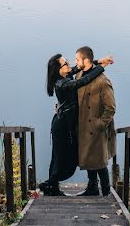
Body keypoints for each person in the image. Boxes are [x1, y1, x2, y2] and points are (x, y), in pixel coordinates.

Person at [39, 52, 114, 196]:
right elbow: (83, 81)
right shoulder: (63, 83)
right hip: (62, 126)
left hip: (65, 122)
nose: (69, 64)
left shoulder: (64, 76)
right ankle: (52, 186)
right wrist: (101, 67)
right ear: (59, 69)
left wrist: (98, 61)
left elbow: (78, 68)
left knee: (59, 155)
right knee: (60, 156)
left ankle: (52, 184)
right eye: (65, 63)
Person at [73, 45, 116, 196]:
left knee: (99, 162)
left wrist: (100, 124)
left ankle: (106, 192)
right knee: (88, 157)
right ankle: (92, 188)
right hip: (83, 126)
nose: (75, 62)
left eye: (78, 59)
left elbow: (110, 108)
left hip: (96, 128)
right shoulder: (79, 75)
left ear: (86, 60)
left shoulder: (102, 82)